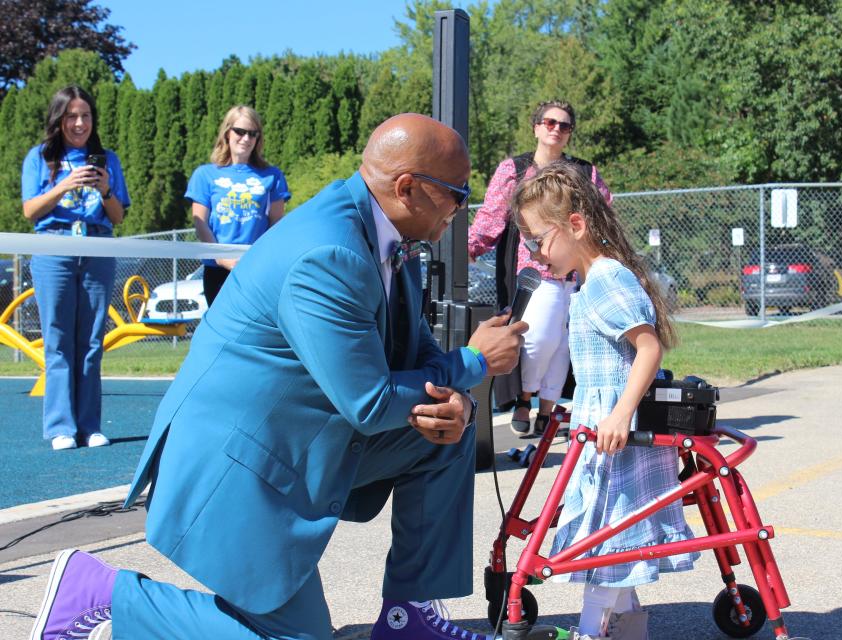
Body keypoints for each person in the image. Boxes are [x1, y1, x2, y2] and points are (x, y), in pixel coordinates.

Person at [30, 113, 527, 640]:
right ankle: (102, 596)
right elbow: (370, 399)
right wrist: (473, 363)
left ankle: (407, 621)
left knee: (446, 433)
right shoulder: (329, 252)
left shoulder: (384, 230)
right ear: (407, 188)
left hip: (289, 445)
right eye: (458, 193)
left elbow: (414, 350)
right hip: (239, 468)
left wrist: (460, 400)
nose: (462, 207)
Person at [512, 163, 698, 640]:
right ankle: (629, 627)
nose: (535, 254)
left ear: (576, 225)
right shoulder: (589, 280)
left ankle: (590, 632)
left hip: (619, 432)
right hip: (602, 428)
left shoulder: (606, 279)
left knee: (605, 540)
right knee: (612, 537)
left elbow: (649, 348)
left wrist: (618, 413)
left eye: (539, 240)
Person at [468, 100, 612, 437]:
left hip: (576, 273)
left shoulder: (583, 172)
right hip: (536, 271)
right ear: (536, 127)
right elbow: (490, 218)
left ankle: (547, 412)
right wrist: (470, 248)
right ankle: (524, 398)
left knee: (566, 343)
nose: (556, 130)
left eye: (564, 125)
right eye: (549, 122)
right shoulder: (515, 170)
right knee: (539, 337)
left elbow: (605, 212)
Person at [20, 85, 130, 451]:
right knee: (58, 339)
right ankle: (60, 427)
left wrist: (105, 190)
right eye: (72, 116)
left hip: (97, 247)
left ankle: (89, 425)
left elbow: (118, 216)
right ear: (59, 119)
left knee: (92, 341)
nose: (80, 123)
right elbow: (30, 211)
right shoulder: (40, 157)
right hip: (54, 249)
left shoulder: (107, 158)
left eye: (85, 115)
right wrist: (64, 184)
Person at [187, 105, 290, 306]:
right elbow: (200, 223)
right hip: (217, 269)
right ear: (227, 133)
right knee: (221, 330)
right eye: (240, 132)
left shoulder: (272, 175)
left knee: (256, 332)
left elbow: (277, 224)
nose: (246, 139)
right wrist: (221, 258)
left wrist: (261, 258)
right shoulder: (205, 175)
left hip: (256, 268)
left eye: (252, 134)